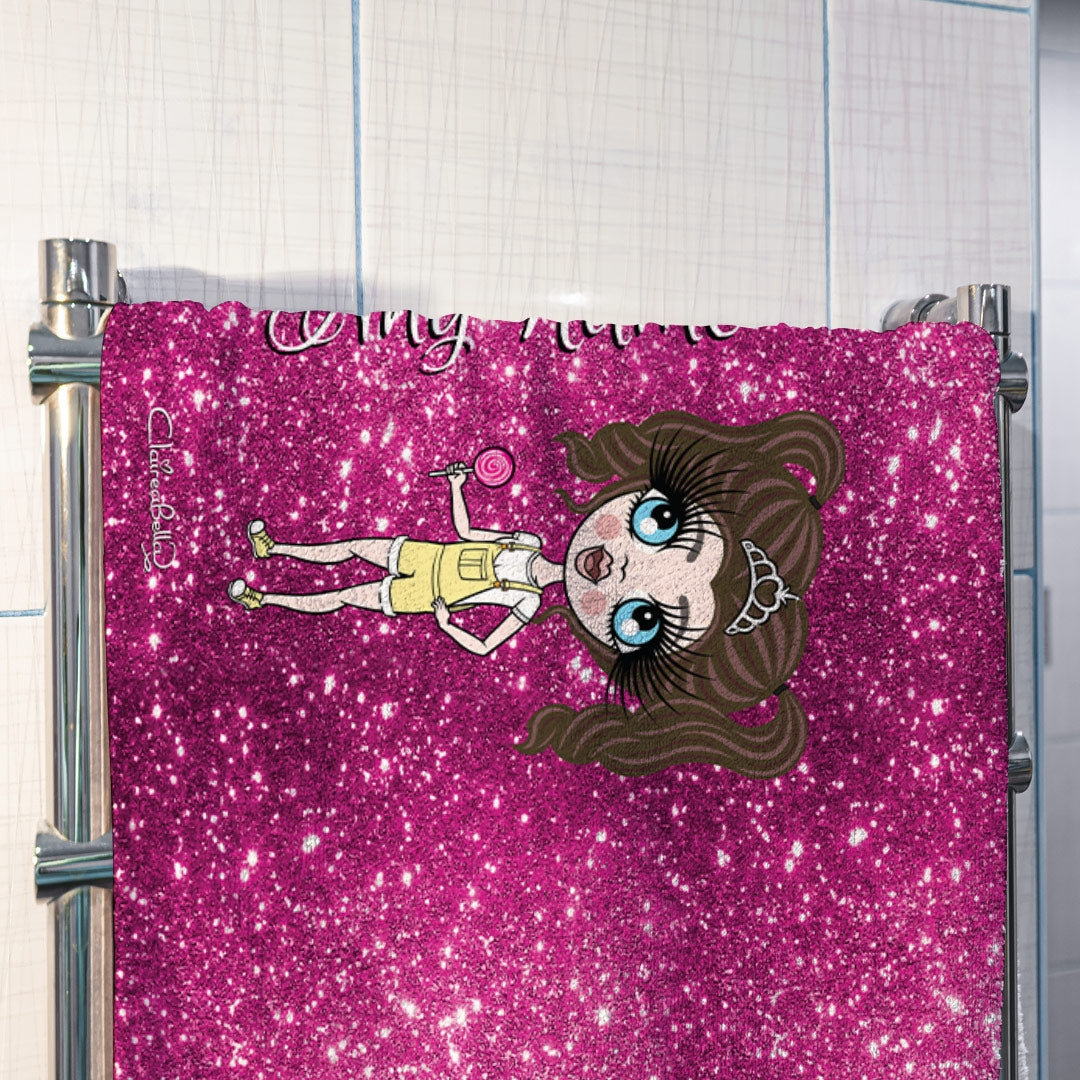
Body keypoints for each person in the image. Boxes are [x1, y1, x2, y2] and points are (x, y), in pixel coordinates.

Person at [228, 409, 844, 778]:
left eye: (641, 618)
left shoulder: (526, 607)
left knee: (347, 596)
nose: (620, 567)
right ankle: (274, 550)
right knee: (355, 548)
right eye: (658, 522)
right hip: (428, 555)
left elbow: (483, 644)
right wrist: (457, 486)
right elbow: (468, 532)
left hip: (432, 593)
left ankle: (266, 600)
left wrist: (447, 623)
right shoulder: (526, 539)